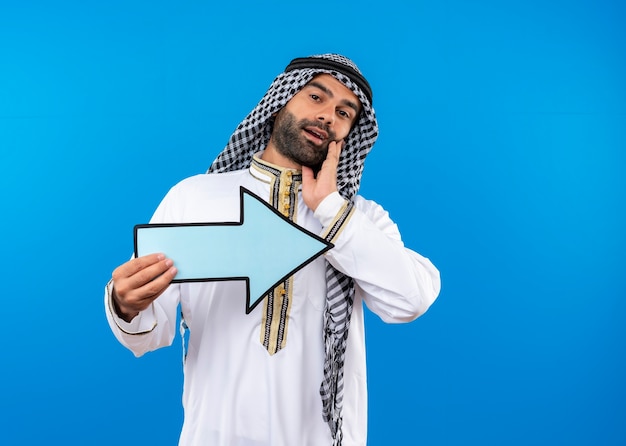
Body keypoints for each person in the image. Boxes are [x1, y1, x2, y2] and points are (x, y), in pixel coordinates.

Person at [105, 53, 441, 446]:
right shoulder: (194, 198)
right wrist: (124, 302)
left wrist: (331, 210)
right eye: (316, 97)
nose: (328, 116)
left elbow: (411, 299)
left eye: (344, 112)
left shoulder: (360, 219)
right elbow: (148, 333)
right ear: (280, 100)